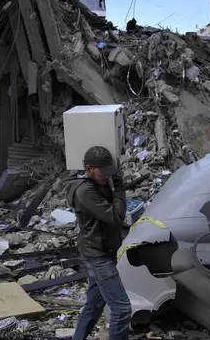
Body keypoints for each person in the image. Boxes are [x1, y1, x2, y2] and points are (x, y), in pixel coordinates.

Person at [65, 146, 131, 340]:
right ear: (89, 168)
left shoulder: (99, 182)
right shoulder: (85, 192)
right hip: (98, 256)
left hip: (101, 251)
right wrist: (119, 187)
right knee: (122, 308)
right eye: (102, 172)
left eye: (109, 171)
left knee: (94, 305)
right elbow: (116, 216)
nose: (106, 176)